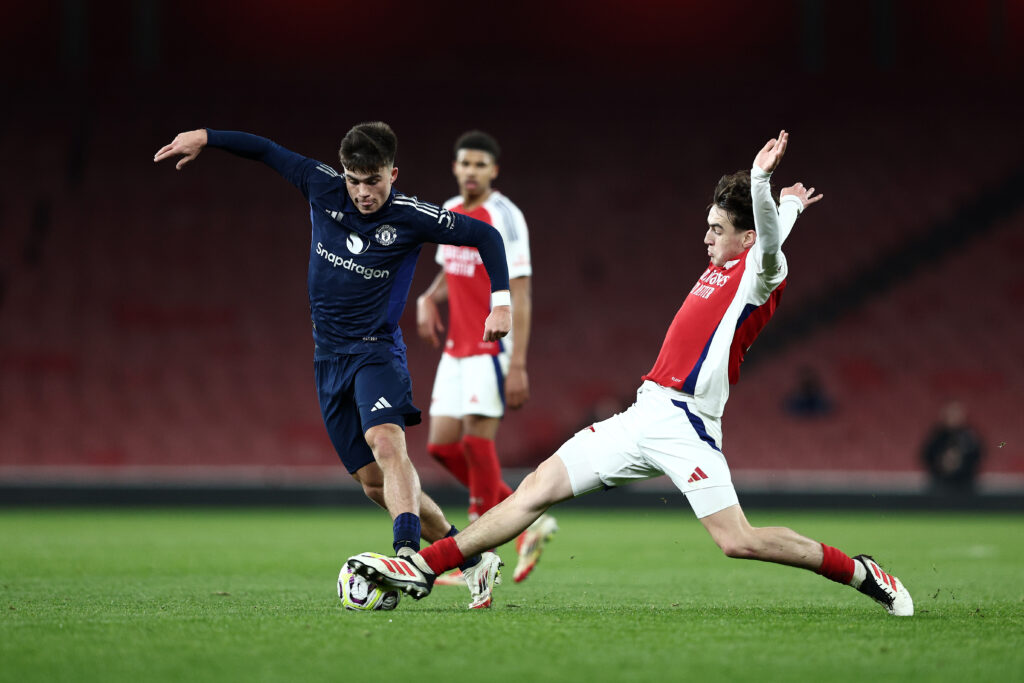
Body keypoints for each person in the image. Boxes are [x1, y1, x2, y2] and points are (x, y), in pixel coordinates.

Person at [348, 131, 914, 617]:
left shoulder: (759, 276)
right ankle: (423, 567)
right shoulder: (728, 263)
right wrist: (787, 204)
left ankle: (863, 573)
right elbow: (767, 228)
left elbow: (768, 240)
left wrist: (766, 185)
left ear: (743, 238)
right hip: (643, 413)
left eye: (716, 229)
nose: (706, 237)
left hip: (687, 425)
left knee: (738, 542)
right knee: (533, 491)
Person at [153, 123, 511, 608]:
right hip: (328, 358)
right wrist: (206, 137)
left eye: (374, 181)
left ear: (393, 173)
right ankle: (471, 559)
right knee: (371, 483)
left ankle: (405, 554)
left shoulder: (411, 216)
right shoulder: (321, 184)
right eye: (355, 180)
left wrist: (501, 302)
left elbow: (486, 236)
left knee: (387, 442)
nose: (363, 193)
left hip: (376, 351)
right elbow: (266, 148)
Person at [416, 131, 556, 584]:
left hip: (492, 347)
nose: (471, 171)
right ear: (455, 168)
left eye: (480, 164)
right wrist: (427, 298)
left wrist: (517, 364)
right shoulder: (449, 210)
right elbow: (449, 266)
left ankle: (476, 554)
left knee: (477, 444)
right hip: (456, 348)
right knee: (441, 445)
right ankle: (529, 518)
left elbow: (521, 291)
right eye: (465, 163)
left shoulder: (505, 217)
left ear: (494, 170)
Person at [921, 400, 983, 494]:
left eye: (956, 414)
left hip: (964, 483)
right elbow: (926, 455)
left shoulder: (970, 435)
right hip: (941, 482)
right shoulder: (937, 436)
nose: (954, 417)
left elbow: (978, 456)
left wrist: (960, 464)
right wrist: (942, 463)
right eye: (951, 414)